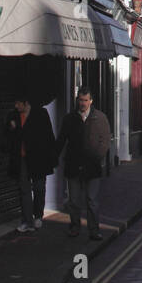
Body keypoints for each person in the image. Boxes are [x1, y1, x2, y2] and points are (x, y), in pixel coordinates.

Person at [56, 87, 110, 240]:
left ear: (91, 101)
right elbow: (61, 139)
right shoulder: (69, 119)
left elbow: (105, 142)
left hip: (92, 167)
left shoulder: (100, 118)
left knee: (92, 201)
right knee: (74, 201)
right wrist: (54, 157)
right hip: (73, 165)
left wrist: (97, 157)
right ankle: (74, 227)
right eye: (80, 100)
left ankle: (94, 230)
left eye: (86, 100)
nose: (83, 103)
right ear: (77, 100)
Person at [2, 93, 57, 233]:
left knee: (39, 188)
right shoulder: (13, 116)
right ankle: (27, 221)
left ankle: (38, 216)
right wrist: (11, 128)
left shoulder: (41, 114)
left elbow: (49, 136)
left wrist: (52, 158)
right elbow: (6, 136)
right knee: (24, 190)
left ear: (25, 103)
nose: (15, 106)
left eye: (18, 103)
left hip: (38, 159)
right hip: (21, 159)